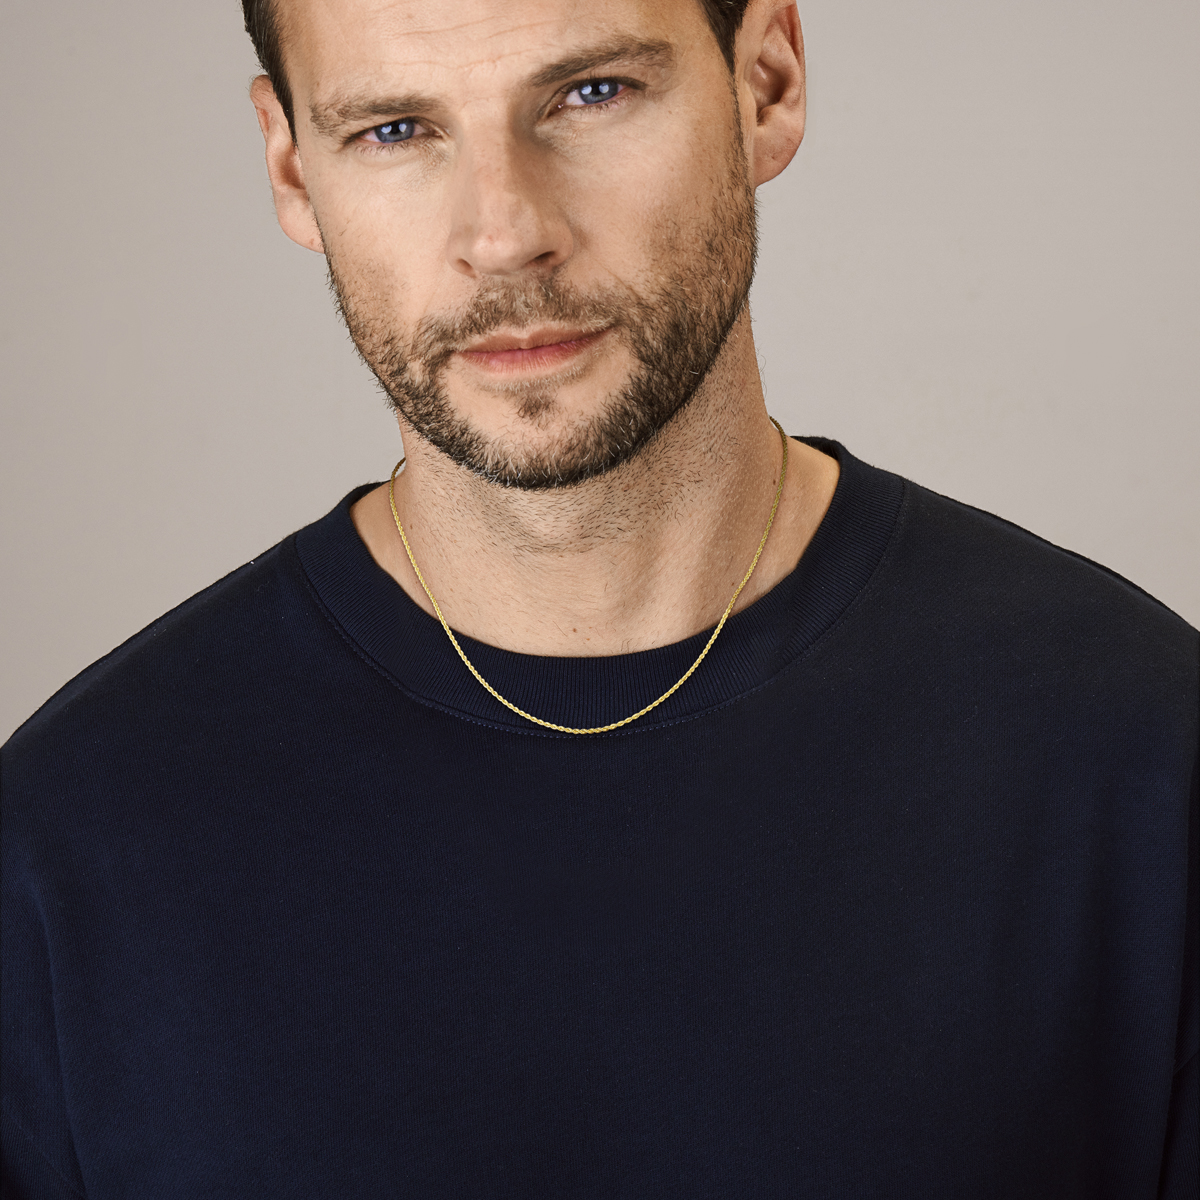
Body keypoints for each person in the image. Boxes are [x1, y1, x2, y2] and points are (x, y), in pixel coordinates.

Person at [2, 0, 1195, 1193]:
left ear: (767, 84)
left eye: (591, 94)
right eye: (395, 129)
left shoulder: (1141, 755)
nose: (504, 234)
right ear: (292, 168)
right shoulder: (66, 849)